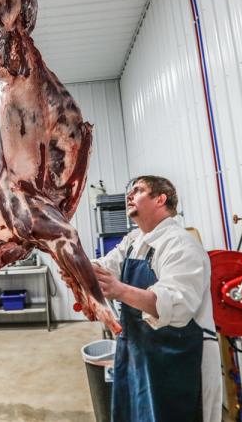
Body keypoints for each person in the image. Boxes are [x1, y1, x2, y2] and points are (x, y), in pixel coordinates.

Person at [92, 176, 221, 422]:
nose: (129, 196)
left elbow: (176, 304)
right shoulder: (134, 241)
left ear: (160, 199)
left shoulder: (181, 244)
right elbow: (104, 266)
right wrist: (76, 266)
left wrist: (119, 290)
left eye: (138, 190)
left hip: (180, 360)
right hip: (142, 353)